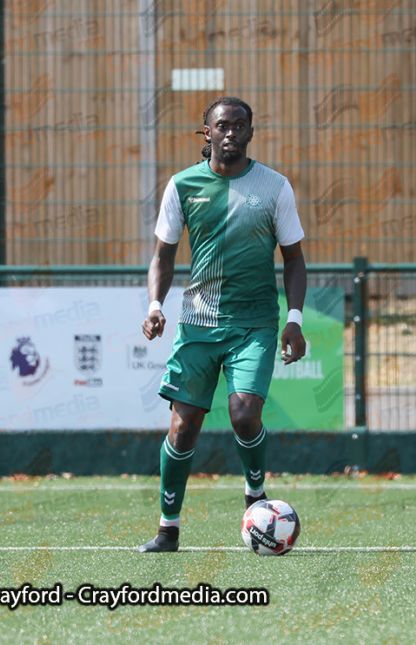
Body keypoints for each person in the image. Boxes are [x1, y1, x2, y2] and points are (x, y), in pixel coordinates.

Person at [137, 96, 307, 552]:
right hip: (198, 325)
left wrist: (294, 318)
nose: (230, 132)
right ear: (205, 133)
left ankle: (255, 493)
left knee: (244, 413)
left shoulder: (275, 187)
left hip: (253, 323)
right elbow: (163, 257)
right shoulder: (182, 185)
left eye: (239, 126)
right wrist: (155, 304)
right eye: (221, 126)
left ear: (250, 133)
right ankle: (167, 528)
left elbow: (293, 259)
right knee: (183, 427)